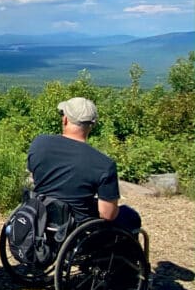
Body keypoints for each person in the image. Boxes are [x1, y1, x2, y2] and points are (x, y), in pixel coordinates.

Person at [26, 96, 141, 231]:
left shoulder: (39, 143)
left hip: (41, 221)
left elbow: (34, 176)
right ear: (92, 125)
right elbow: (108, 214)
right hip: (77, 230)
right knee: (130, 215)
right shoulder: (104, 164)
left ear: (65, 119)